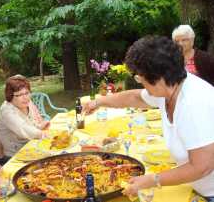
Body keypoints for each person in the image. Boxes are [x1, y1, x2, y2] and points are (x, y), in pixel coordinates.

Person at [83, 36, 214, 200]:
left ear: (158, 77)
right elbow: (136, 98)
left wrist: (153, 180)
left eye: (139, 77)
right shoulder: (169, 86)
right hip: (198, 186)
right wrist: (98, 102)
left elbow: (202, 167)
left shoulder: (194, 104)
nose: (139, 82)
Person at [0, 75, 50, 159]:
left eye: (27, 93)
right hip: (14, 155)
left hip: (30, 146)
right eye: (20, 95)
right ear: (10, 96)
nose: (25, 97)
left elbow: (30, 124)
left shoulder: (26, 103)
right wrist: (42, 134)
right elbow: (23, 128)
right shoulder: (7, 111)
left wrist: (40, 126)